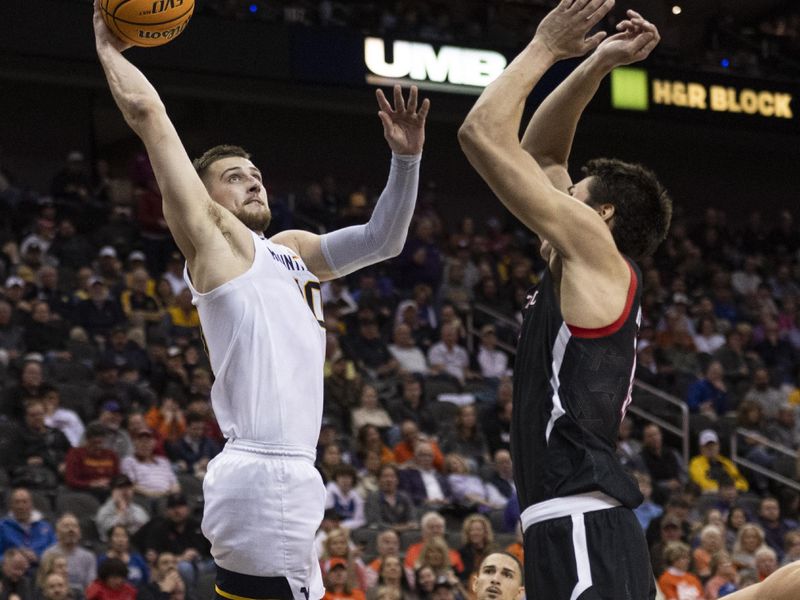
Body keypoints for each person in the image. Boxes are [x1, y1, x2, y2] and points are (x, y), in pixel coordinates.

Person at [93, 3, 429, 597]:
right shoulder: (214, 242)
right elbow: (149, 114)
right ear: (206, 196)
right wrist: (109, 46)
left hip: (292, 474)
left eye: (256, 171)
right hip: (262, 470)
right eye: (235, 175)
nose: (254, 179)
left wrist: (406, 158)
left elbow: (385, 239)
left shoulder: (291, 248)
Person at [458, 2, 668, 598]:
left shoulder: (596, 254)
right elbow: (543, 156)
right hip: (567, 521)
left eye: (572, 194)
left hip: (583, 522)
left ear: (599, 215)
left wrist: (545, 48)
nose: (557, 194)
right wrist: (596, 64)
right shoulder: (583, 262)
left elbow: (481, 135)